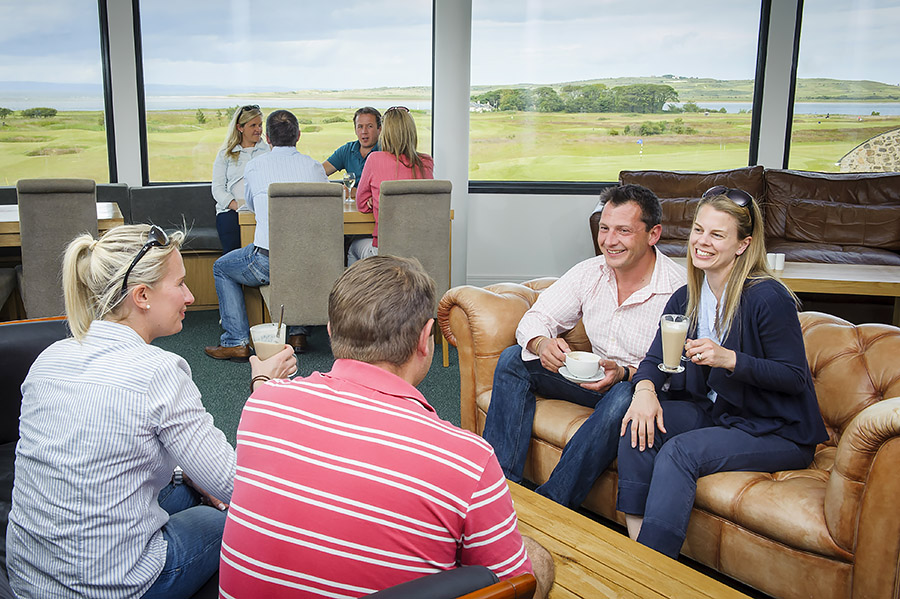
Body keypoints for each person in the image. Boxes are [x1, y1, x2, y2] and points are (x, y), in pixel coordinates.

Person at [218, 255, 555, 598]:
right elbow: (513, 586)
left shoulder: (262, 404)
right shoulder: (468, 460)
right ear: (427, 338)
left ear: (332, 331)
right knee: (536, 562)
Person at [6, 224, 295, 599]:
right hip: (111, 586)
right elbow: (239, 486)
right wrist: (263, 387)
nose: (190, 297)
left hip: (29, 579)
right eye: (180, 284)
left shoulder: (49, 358)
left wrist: (188, 473)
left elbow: (105, 450)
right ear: (141, 295)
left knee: (185, 488)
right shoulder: (158, 371)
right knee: (220, 516)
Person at [616, 186, 829, 559]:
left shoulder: (767, 297)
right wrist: (645, 392)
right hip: (722, 415)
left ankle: (653, 565)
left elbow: (794, 377)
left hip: (776, 428)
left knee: (680, 452)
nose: (702, 242)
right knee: (637, 424)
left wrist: (729, 359)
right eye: (699, 230)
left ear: (743, 244)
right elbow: (653, 359)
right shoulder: (688, 296)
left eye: (717, 234)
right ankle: (642, 556)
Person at [482, 184, 686, 509]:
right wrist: (541, 341)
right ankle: (499, 490)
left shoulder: (678, 289)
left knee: (624, 394)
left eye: (623, 231)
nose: (608, 240)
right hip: (592, 379)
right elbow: (536, 318)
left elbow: (684, 370)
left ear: (653, 234)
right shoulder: (590, 272)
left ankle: (552, 504)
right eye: (604, 228)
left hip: (641, 389)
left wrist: (625, 373)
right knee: (513, 359)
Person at [205, 109, 329, 359]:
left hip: (267, 261)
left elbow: (250, 206)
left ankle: (236, 341)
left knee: (222, 267)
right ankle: (297, 333)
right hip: (310, 262)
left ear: (269, 139)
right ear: (299, 136)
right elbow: (324, 209)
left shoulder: (255, 167)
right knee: (297, 262)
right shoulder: (315, 168)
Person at [347, 106, 434, 265]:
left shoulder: (374, 159)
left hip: (385, 252)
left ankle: (360, 290)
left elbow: (362, 205)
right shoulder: (426, 162)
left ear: (384, 133)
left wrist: (374, 201)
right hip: (420, 252)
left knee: (352, 247)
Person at [212, 104, 270, 254]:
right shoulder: (226, 154)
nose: (259, 130)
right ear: (240, 127)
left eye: (260, 125)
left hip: (262, 210)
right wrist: (236, 206)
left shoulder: (269, 151)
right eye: (253, 125)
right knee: (232, 251)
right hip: (231, 211)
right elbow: (217, 188)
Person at [322, 106, 382, 178]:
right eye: (360, 126)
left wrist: (356, 190)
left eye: (369, 126)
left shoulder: (386, 151)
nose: (364, 131)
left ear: (379, 129)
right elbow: (319, 172)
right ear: (355, 130)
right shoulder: (347, 150)